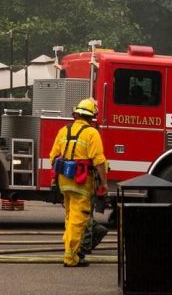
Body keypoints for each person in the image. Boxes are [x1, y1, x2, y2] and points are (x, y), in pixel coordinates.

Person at [49, 97, 108, 268]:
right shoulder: (92, 133)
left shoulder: (63, 131)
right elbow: (98, 161)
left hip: (64, 181)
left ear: (76, 114)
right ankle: (71, 257)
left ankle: (69, 249)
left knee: (69, 217)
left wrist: (54, 181)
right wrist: (104, 183)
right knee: (78, 219)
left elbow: (53, 157)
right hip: (81, 182)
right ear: (91, 117)